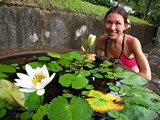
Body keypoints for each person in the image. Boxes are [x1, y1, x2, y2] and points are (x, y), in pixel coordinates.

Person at [94, 6, 151, 80]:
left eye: (118, 23)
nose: (112, 28)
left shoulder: (132, 43)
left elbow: (146, 75)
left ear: (125, 26)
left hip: (130, 81)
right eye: (109, 22)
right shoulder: (101, 41)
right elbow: (93, 61)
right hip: (111, 78)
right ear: (104, 23)